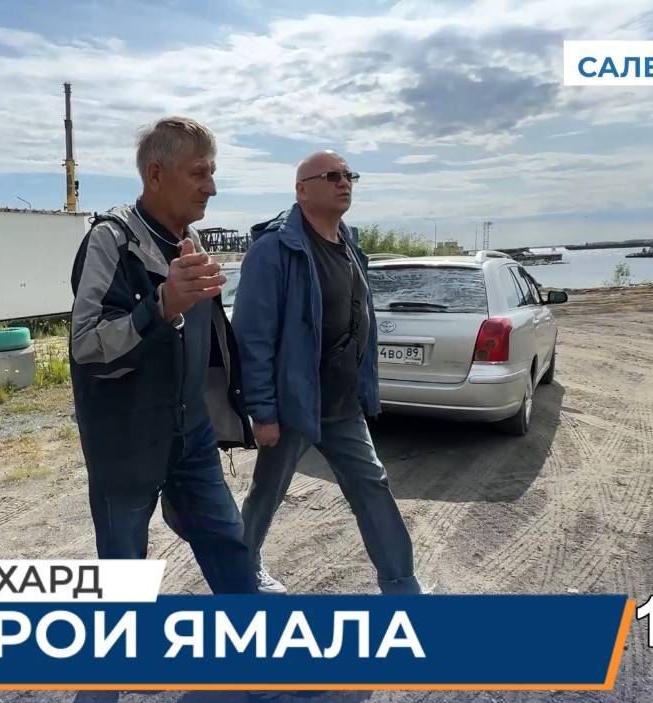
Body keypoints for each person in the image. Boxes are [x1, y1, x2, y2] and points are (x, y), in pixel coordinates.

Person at [68, 117, 257, 593]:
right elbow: (87, 346)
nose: (211, 187)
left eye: (212, 173)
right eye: (199, 173)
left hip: (191, 434)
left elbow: (206, 343)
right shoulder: (111, 240)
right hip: (126, 441)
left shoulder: (191, 242)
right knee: (124, 568)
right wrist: (162, 306)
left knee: (231, 544)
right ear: (155, 174)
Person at [232, 150, 426, 594]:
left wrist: (364, 385)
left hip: (341, 402)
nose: (344, 182)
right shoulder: (273, 250)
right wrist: (262, 411)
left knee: (372, 484)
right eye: (333, 176)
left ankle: (401, 585)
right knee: (268, 491)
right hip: (292, 403)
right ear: (302, 190)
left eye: (349, 175)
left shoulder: (349, 244)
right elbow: (252, 338)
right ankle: (242, 572)